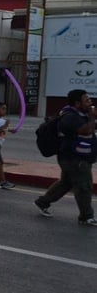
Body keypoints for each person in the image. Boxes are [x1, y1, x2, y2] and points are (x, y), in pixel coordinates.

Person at [34, 89, 97, 226]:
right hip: (74, 158)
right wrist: (92, 117)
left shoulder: (79, 114)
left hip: (73, 157)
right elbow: (86, 130)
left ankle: (43, 202)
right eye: (86, 100)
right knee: (84, 186)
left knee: (66, 183)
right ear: (77, 103)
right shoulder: (69, 117)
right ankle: (86, 216)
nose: (90, 102)